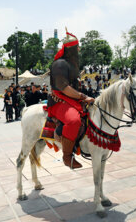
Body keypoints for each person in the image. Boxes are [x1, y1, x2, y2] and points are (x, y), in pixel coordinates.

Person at [47, 31, 94, 169]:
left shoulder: (70, 65)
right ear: (71, 49)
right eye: (77, 47)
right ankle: (67, 157)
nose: (78, 50)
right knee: (74, 121)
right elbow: (64, 88)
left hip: (71, 99)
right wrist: (84, 97)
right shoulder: (59, 64)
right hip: (59, 100)